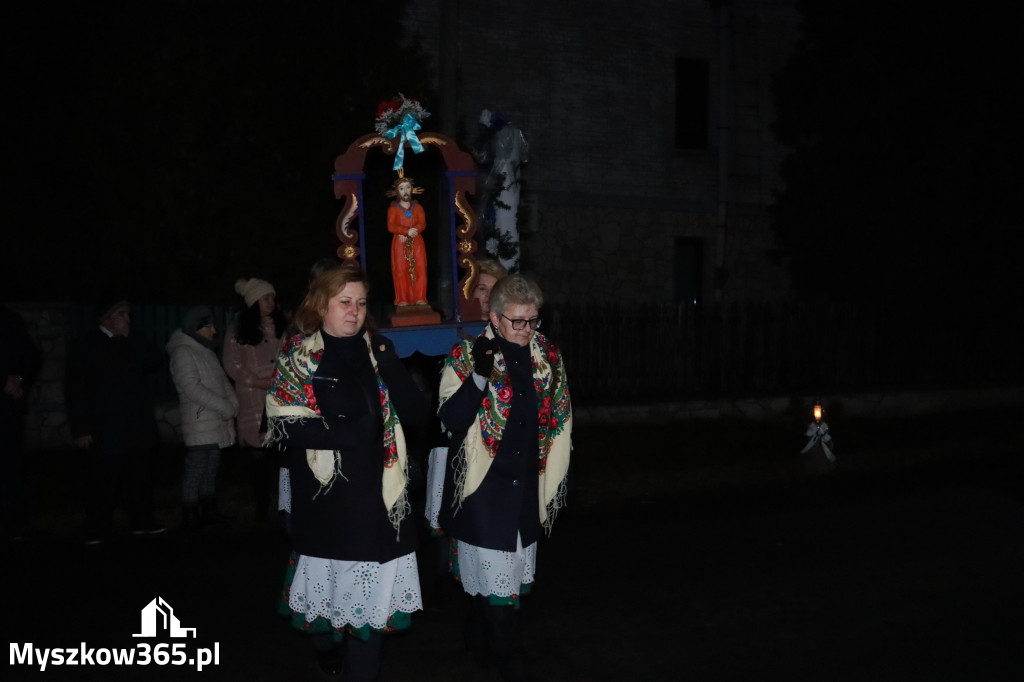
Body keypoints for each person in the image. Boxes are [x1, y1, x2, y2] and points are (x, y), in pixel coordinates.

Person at [267, 267, 428, 680]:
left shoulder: (378, 351)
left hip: (380, 502)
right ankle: (325, 650)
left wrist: (393, 368)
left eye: (360, 303)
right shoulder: (299, 357)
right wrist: (348, 434)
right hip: (328, 503)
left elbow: (416, 415)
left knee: (369, 619)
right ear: (321, 305)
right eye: (344, 302)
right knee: (324, 612)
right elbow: (282, 423)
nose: (354, 312)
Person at [437, 273, 573, 681]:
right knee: (500, 596)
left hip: (526, 489)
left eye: (534, 320)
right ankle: (510, 663)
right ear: (495, 319)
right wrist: (479, 377)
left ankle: (477, 635)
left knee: (503, 588)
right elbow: (450, 420)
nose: (528, 329)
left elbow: (560, 417)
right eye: (518, 321)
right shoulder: (465, 356)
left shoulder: (547, 356)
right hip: (482, 490)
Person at [65, 297, 166, 543]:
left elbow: (156, 359)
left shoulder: (131, 340)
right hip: (105, 427)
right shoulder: (85, 345)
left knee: (140, 477)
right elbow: (75, 389)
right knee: (103, 480)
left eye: (128, 314)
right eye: (122, 314)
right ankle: (96, 527)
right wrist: (81, 428)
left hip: (137, 425)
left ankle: (142, 522)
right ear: (107, 317)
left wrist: (132, 337)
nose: (128, 319)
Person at [167, 306, 238, 529]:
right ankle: (189, 514)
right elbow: (191, 388)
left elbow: (223, 382)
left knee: (210, 470)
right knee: (196, 470)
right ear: (197, 327)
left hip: (215, 422)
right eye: (210, 326)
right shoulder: (183, 352)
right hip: (199, 422)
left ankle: (209, 511)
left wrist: (233, 403)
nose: (215, 330)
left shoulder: (205, 350)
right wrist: (224, 406)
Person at [223, 277, 287, 522]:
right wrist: (255, 381)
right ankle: (262, 503)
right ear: (254, 301)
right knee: (257, 456)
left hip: (279, 398)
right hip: (253, 400)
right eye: (266, 297)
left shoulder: (281, 325)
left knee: (282, 455)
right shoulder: (238, 329)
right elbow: (231, 364)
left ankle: (286, 505)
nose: (271, 302)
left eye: (272, 297)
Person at [1, 304, 41, 540]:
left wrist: (21, 381)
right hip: (8, 402)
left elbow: (31, 355)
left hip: (8, 409)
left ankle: (15, 521)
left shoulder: (8, 318)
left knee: (11, 466)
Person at [387, 176, 428, 306]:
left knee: (420, 268)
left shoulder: (417, 208)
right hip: (400, 242)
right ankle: (402, 298)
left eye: (408, 187)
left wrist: (411, 231)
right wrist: (404, 231)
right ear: (397, 191)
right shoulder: (393, 209)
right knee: (400, 271)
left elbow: (422, 223)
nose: (405, 191)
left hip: (416, 241)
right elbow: (391, 226)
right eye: (402, 188)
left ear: (412, 189)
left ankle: (420, 297)